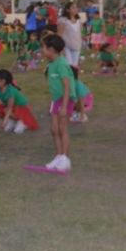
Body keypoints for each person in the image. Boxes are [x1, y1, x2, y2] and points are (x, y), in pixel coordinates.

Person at [43, 34, 76, 171]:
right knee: (54, 130)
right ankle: (58, 156)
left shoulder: (61, 64)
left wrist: (64, 106)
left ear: (51, 49)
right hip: (56, 99)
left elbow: (67, 86)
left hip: (65, 99)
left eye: (44, 48)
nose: (42, 50)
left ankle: (65, 159)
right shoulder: (51, 63)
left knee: (63, 129)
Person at [0, 69, 39, 134]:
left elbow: (9, 108)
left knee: (7, 112)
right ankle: (13, 121)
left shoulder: (10, 91)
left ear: (3, 81)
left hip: (21, 109)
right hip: (12, 109)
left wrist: (4, 122)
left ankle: (22, 122)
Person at [57, 2, 83, 67]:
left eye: (76, 7)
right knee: (69, 64)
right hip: (66, 46)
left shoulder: (78, 20)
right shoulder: (63, 20)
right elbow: (59, 34)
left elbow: (79, 33)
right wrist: (60, 47)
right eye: (73, 8)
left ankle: (73, 77)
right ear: (67, 10)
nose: (76, 9)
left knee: (74, 65)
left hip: (76, 45)